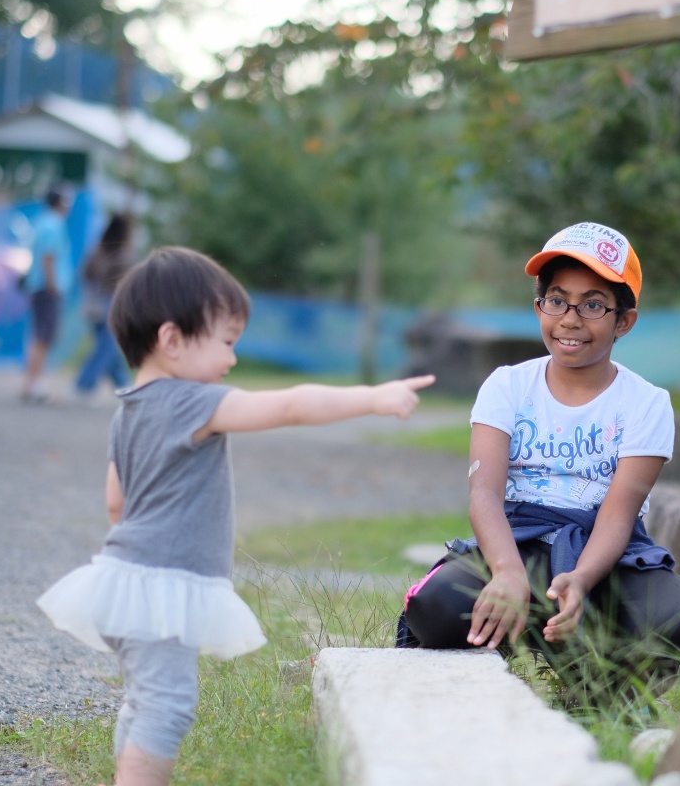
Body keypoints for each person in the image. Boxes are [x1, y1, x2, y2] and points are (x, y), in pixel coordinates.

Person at [36, 246, 434, 786]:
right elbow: (290, 406)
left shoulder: (129, 408)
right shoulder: (191, 403)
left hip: (124, 576)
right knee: (167, 704)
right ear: (172, 340)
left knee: (144, 698)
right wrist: (371, 397)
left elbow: (115, 500)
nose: (232, 360)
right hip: (164, 582)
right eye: (226, 342)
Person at [399, 221, 680, 689]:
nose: (570, 318)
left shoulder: (647, 403)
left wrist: (582, 580)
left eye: (593, 304)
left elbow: (617, 516)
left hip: (605, 552)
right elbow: (484, 496)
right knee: (436, 607)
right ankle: (510, 640)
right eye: (557, 299)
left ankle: (598, 681)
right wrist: (506, 572)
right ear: (538, 306)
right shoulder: (508, 385)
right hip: (517, 539)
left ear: (623, 320)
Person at [21, 185, 74, 404]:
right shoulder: (54, 224)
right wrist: (53, 285)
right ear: (60, 203)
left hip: (38, 286)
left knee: (38, 336)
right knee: (43, 337)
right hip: (47, 287)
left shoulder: (41, 222)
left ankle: (31, 383)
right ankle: (36, 385)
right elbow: (48, 257)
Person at [74, 213, 135, 401]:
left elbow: (84, 273)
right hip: (113, 303)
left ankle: (125, 386)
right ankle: (84, 384)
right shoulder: (124, 254)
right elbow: (129, 281)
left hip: (93, 303)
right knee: (106, 347)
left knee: (108, 347)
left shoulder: (96, 250)